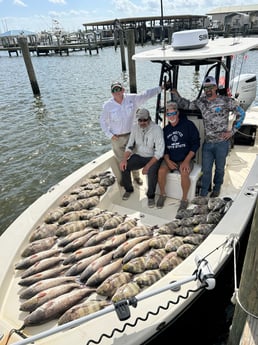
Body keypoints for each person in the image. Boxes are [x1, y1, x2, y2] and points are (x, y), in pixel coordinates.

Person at [172, 75, 245, 198]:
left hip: (222, 143)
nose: (208, 90)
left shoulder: (226, 101)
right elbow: (187, 105)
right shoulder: (201, 102)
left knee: (220, 169)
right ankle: (204, 193)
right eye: (206, 88)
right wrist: (176, 95)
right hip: (208, 143)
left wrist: (231, 132)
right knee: (206, 170)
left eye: (211, 87)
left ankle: (217, 189)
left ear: (216, 87)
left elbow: (241, 114)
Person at [100, 81, 162, 186]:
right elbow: (102, 121)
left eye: (118, 89)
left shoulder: (132, 99)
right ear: (111, 93)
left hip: (131, 135)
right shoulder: (107, 105)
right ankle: (125, 180)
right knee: (121, 160)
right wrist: (110, 135)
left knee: (133, 157)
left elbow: (146, 94)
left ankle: (136, 177)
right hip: (117, 138)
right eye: (114, 90)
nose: (117, 92)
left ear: (123, 90)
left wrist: (160, 88)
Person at [156, 101, 200, 210]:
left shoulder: (189, 125)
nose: (171, 116)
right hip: (170, 158)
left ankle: (184, 199)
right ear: (166, 115)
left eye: (173, 113)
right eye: (169, 114)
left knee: (184, 172)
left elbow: (196, 144)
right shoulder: (165, 130)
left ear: (178, 113)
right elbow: (163, 148)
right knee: (161, 171)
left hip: (185, 158)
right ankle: (162, 194)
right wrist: (167, 160)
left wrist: (186, 161)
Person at [119, 108, 165, 208]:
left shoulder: (157, 129)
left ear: (149, 119)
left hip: (153, 157)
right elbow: (130, 145)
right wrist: (124, 160)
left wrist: (148, 166)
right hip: (139, 155)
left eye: (145, 120)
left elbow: (159, 152)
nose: (143, 122)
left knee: (152, 172)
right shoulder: (135, 128)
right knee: (124, 166)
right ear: (137, 120)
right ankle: (129, 189)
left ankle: (151, 196)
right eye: (140, 120)